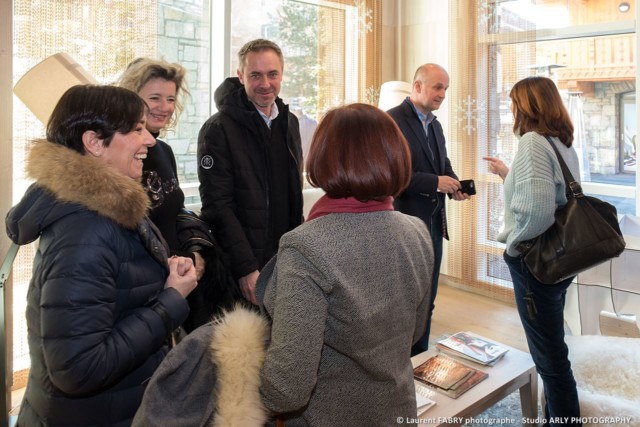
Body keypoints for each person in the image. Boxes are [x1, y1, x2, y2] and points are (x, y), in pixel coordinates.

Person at [131, 103, 434, 427]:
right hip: (396, 412)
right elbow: (412, 331)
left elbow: (286, 390)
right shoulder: (416, 232)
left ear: (325, 157)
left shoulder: (306, 247)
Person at [5, 84, 198, 426]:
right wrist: (170, 300)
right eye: (136, 129)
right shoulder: (87, 230)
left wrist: (161, 278)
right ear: (94, 142)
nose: (149, 140)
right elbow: (78, 369)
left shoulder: (108, 210)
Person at [484, 76, 582, 426]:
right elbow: (553, 196)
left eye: (513, 102)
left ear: (527, 105)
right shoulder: (560, 142)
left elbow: (538, 211)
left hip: (535, 262)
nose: (511, 109)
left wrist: (513, 246)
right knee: (553, 349)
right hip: (561, 260)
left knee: (551, 361)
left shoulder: (531, 142)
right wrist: (508, 174)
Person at [118, 58, 241, 332]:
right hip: (146, 290)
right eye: (154, 98)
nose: (165, 107)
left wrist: (193, 252)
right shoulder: (119, 158)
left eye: (171, 98)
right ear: (130, 98)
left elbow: (175, 215)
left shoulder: (163, 152)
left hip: (181, 280)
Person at [197, 38, 303, 305]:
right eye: (255, 75)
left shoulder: (289, 123)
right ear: (241, 75)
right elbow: (217, 206)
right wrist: (245, 268)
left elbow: (293, 195)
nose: (265, 84)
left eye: (272, 74)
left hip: (283, 260)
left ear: (282, 74)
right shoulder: (218, 129)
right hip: (242, 269)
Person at [387, 63, 470, 355]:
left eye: (446, 88)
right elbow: (393, 175)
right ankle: (398, 362)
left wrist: (454, 183)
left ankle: (419, 358)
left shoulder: (435, 124)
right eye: (438, 87)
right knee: (405, 299)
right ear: (418, 86)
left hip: (435, 223)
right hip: (405, 224)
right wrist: (436, 182)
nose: (443, 94)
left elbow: (442, 165)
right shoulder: (391, 122)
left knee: (428, 299)